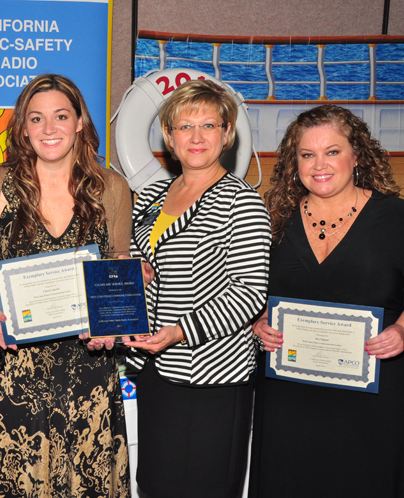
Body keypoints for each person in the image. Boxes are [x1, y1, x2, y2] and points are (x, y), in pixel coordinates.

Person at [0, 73, 132, 497]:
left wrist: (113, 317)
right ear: (23, 127)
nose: (49, 129)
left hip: (89, 367)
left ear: (80, 122)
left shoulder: (111, 187)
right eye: (37, 118)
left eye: (61, 116)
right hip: (15, 367)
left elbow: (119, 260)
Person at [249, 104, 404, 497]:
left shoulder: (396, 216)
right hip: (291, 392)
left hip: (373, 390)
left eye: (332, 151)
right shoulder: (275, 218)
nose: (319, 164)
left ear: (356, 156)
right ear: (295, 162)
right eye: (307, 154)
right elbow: (257, 290)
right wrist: (260, 322)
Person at [125, 79, 271, 498]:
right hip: (155, 371)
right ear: (168, 136)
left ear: (227, 134)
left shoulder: (241, 202)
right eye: (184, 126)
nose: (196, 136)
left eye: (209, 125)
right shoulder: (151, 195)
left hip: (211, 378)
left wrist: (180, 330)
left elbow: (247, 294)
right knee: (155, 485)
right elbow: (141, 268)